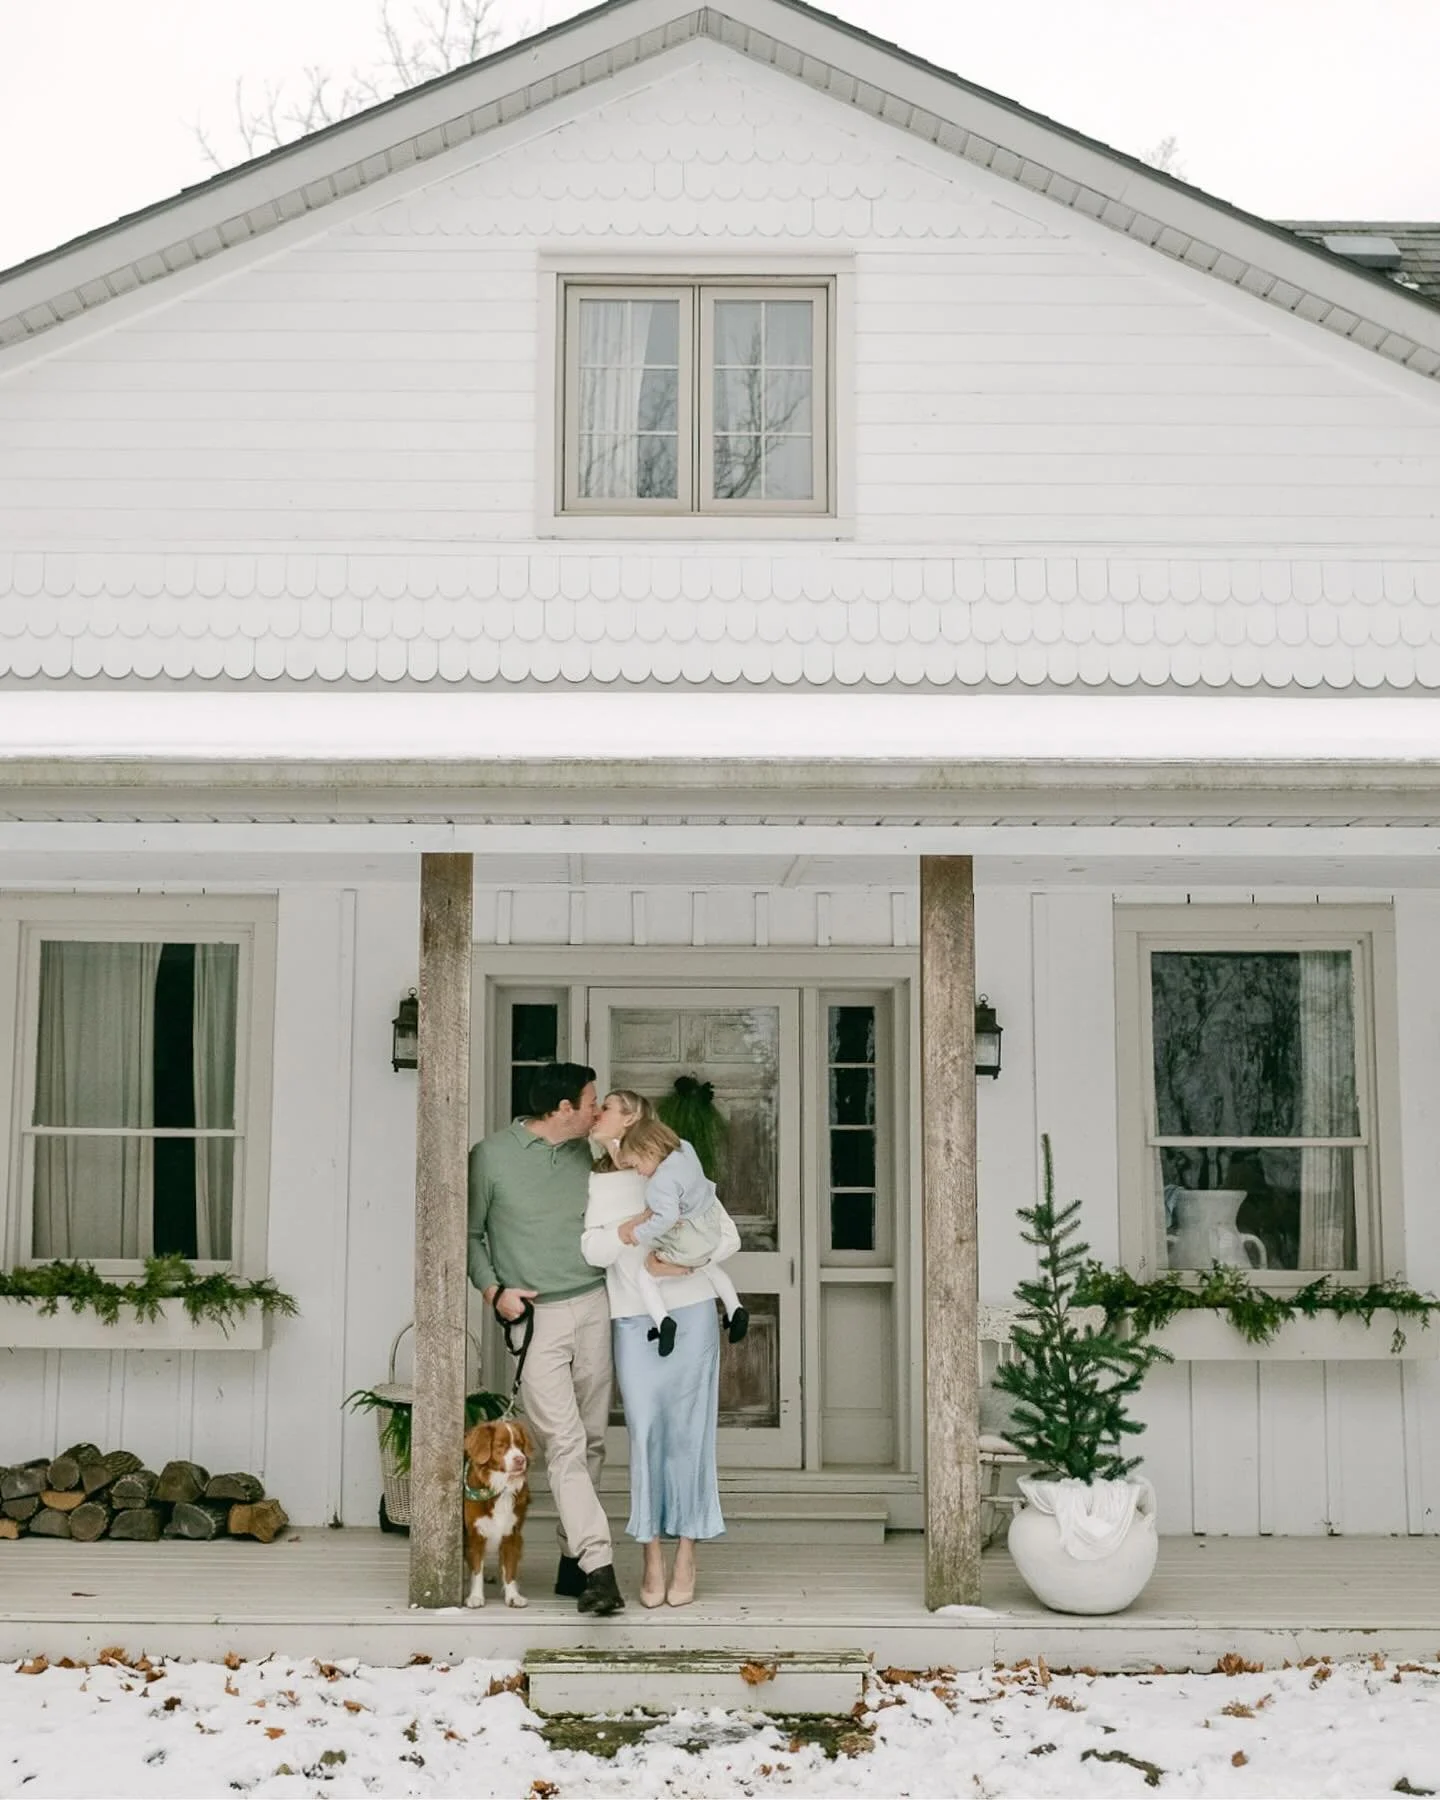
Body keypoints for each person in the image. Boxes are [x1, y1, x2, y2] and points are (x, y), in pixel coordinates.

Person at [466, 1061, 623, 1617]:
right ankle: (600, 1566)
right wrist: (493, 1291)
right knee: (564, 1441)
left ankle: (570, 1558)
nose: (597, 1109)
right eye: (590, 1102)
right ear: (562, 1110)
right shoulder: (492, 1156)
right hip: (536, 1317)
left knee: (594, 1438)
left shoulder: (594, 1152)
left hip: (597, 1303)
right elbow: (468, 1234)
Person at [582, 1100, 740, 1610]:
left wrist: (677, 1268)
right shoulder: (600, 1182)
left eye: (607, 1106)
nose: (596, 1112)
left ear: (633, 1119)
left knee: (690, 1436)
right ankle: (650, 1554)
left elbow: (727, 1238)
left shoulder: (677, 1167)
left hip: (691, 1315)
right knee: (646, 1433)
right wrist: (627, 1231)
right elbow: (593, 1251)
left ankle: (688, 1552)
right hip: (633, 1319)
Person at [611, 1115, 748, 1354]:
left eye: (636, 1165)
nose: (640, 1173)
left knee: (646, 1274)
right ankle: (735, 1307)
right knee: (709, 1266)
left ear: (650, 1151)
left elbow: (666, 1218)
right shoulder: (686, 1148)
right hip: (709, 1228)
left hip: (689, 1237)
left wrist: (639, 1234)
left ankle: (664, 1322)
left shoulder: (659, 1184)